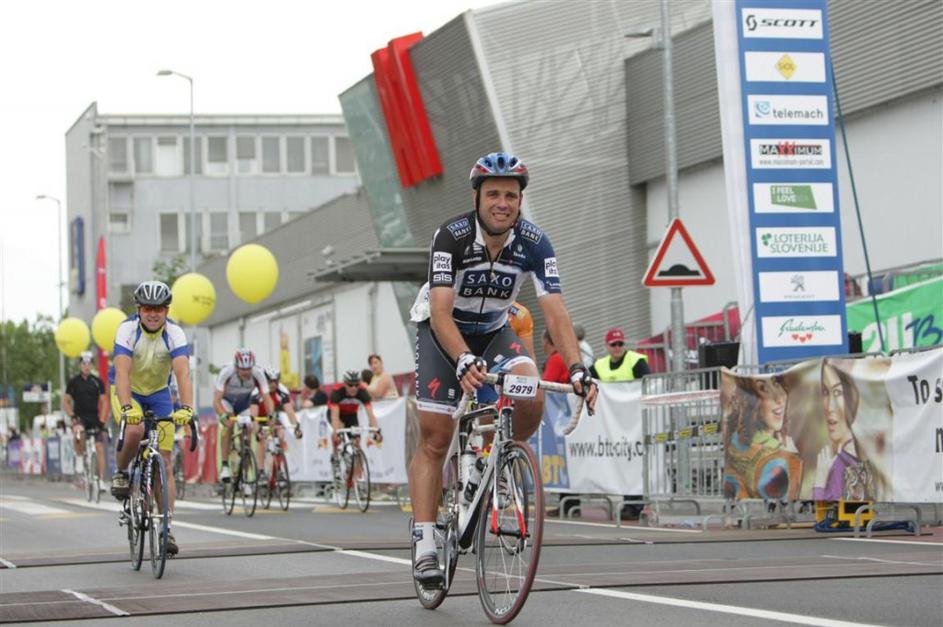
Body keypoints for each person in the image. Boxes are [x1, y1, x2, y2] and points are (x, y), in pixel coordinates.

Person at [409, 151, 597, 586]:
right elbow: (440, 312)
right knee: (435, 437)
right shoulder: (451, 236)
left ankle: (485, 463)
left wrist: (577, 368)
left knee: (531, 393)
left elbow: (556, 313)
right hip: (443, 331)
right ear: (476, 197)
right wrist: (462, 359)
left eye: (511, 196)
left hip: (494, 331)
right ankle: (424, 542)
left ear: (520, 201)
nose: (502, 203)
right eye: (493, 194)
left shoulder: (535, 242)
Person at [109, 280, 194, 555]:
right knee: (135, 431)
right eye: (148, 308)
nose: (153, 314)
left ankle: (166, 528)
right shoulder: (127, 330)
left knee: (165, 462)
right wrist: (126, 407)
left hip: (158, 394)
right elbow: (122, 372)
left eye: (159, 309)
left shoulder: (175, 333)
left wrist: (187, 407)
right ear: (139, 309)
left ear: (167, 310)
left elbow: (182, 373)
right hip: (128, 390)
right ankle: (121, 472)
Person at [589, 327, 650, 520]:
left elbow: (649, 382)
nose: (617, 347)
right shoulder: (600, 365)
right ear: (607, 346)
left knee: (634, 462)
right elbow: (587, 380)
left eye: (620, 344)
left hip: (635, 422)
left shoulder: (636, 360)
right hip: (612, 424)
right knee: (620, 462)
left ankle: (635, 505)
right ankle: (627, 503)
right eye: (613, 344)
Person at [723, 374, 802, 501]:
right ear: (751, 400)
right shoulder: (781, 455)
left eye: (777, 384)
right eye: (764, 389)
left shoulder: (736, 439)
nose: (779, 398)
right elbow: (791, 499)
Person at [213, 349, 274, 482]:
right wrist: (223, 415)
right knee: (229, 425)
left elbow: (267, 398)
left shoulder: (258, 373)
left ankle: (245, 468)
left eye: (248, 369)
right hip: (226, 401)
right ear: (236, 367)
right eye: (242, 369)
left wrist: (271, 416)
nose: (246, 372)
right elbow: (216, 401)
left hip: (245, 403)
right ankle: (225, 465)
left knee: (248, 427)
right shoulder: (227, 372)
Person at [813, 361, 869, 501]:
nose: (830, 406)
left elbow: (822, 511)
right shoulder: (831, 455)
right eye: (824, 392)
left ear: (851, 397)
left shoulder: (849, 460)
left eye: (838, 392)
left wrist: (820, 481)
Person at [540, 330, 578, 518]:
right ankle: (568, 502)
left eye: (544, 342)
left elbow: (545, 383)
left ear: (550, 342)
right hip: (565, 412)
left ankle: (570, 502)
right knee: (566, 457)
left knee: (564, 455)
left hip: (561, 414)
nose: (542, 346)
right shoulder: (561, 358)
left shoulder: (556, 359)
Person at [251, 366, 303, 480]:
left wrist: (296, 426)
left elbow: (290, 412)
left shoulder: (282, 390)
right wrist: (257, 430)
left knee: (281, 434)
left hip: (272, 416)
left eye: (275, 381)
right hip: (258, 417)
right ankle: (260, 471)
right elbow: (253, 415)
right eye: (270, 381)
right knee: (262, 439)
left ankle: (279, 469)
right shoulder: (257, 391)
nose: (273, 384)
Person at [64, 351, 108, 487]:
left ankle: (101, 480)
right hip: (79, 417)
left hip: (94, 417)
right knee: (78, 432)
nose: (86, 366)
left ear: (92, 365)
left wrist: (102, 420)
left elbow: (105, 402)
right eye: (84, 364)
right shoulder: (73, 382)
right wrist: (72, 415)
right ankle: (79, 460)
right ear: (80, 365)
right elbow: (66, 401)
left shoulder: (97, 381)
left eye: (89, 364)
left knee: (99, 447)